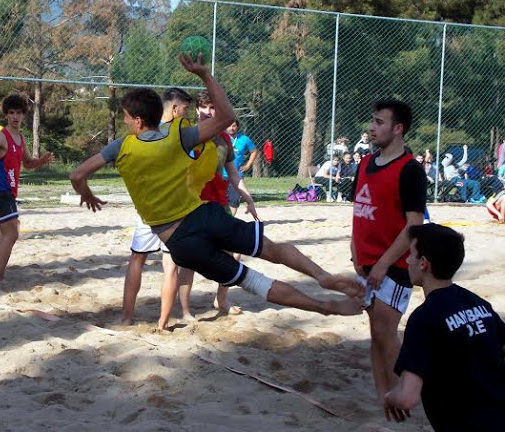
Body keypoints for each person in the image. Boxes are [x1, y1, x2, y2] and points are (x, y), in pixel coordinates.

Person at [70, 53, 363, 319]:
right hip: (205, 215)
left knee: (253, 281)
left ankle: (325, 307)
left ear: (136, 120)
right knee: (270, 248)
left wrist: (88, 195)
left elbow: (76, 175)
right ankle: (322, 276)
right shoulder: (179, 136)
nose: (124, 122)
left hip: (180, 239)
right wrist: (205, 76)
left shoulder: (121, 147)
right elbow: (227, 118)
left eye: (124, 117)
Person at [384, 223, 505, 431]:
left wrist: (389, 396)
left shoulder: (424, 318)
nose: (406, 260)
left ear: (423, 263)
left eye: (410, 254)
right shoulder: (477, 303)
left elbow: (406, 398)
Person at [351, 99, 427, 402]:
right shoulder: (364, 164)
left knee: (386, 331)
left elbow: (413, 225)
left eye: (379, 122)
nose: (372, 127)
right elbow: (359, 209)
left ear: (398, 129)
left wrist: (383, 263)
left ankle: (405, 396)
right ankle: (384, 394)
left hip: (393, 265)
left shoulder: (410, 170)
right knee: (375, 332)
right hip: (365, 261)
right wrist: (355, 250)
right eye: (373, 120)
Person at [179, 90, 260, 320]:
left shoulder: (225, 139)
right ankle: (185, 311)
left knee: (234, 252)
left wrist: (249, 200)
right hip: (191, 204)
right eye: (205, 107)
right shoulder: (187, 135)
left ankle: (221, 299)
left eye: (214, 108)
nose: (209, 112)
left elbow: (234, 173)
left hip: (219, 202)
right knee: (189, 258)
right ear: (197, 109)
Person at [121, 88, 194, 329]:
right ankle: (162, 323)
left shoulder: (139, 137)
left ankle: (127, 317)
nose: (186, 113)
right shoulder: (179, 134)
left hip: (149, 209)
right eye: (184, 109)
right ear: (174, 109)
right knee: (169, 265)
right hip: (172, 210)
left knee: (137, 260)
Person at [0, 94, 54, 282]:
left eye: (19, 113)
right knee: (11, 234)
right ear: (7, 115)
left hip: (8, 191)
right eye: (11, 113)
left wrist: (41, 161)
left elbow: (27, 163)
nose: (15, 116)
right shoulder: (1, 137)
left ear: (23, 115)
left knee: (6, 234)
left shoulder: (20, 138)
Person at [223, 119, 258, 214]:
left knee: (233, 201)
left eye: (234, 126)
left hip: (236, 175)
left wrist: (248, 165)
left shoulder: (244, 139)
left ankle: (229, 222)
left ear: (237, 127)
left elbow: (254, 151)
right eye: (229, 126)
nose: (231, 128)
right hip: (221, 174)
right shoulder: (220, 138)